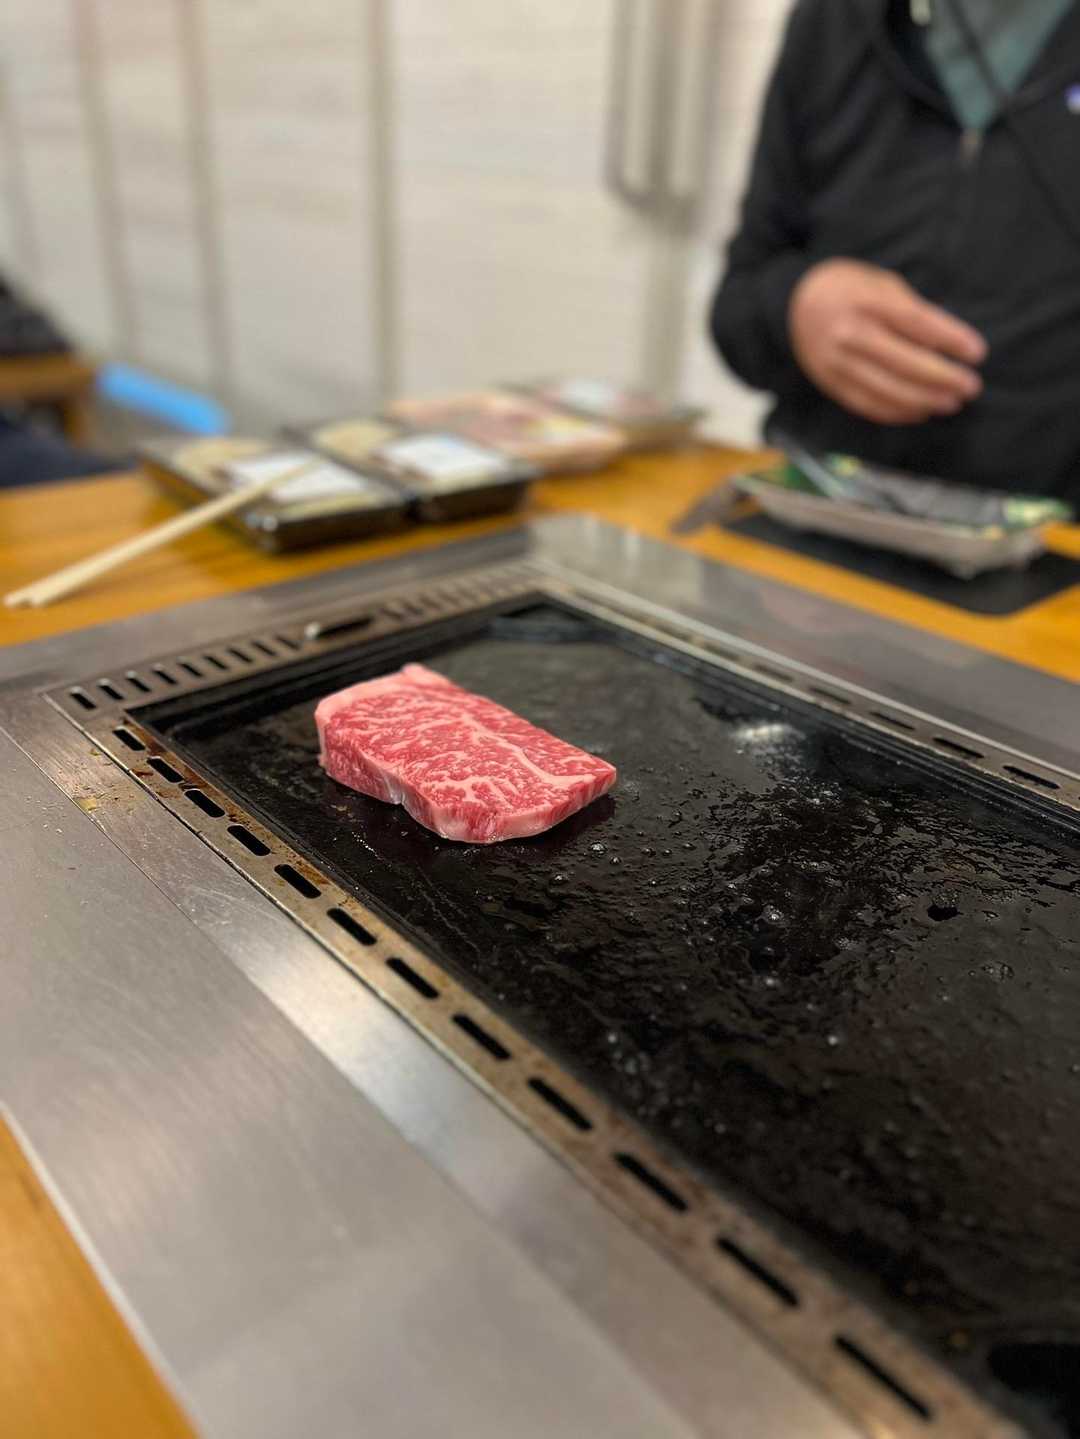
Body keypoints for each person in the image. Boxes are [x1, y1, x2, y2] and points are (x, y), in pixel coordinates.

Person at [710, 0, 1080, 501]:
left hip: (1050, 527)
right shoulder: (835, 21)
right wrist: (794, 305)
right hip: (817, 503)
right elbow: (737, 304)